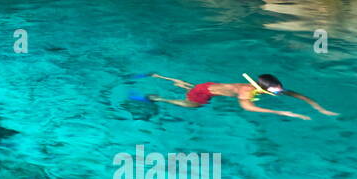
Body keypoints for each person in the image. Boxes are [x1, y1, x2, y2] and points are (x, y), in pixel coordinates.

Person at [142, 72, 337, 120]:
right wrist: (285, 113)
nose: (280, 91)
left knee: (195, 87)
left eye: (279, 88)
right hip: (204, 92)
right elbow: (247, 107)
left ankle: (162, 77)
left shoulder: (264, 87)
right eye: (276, 90)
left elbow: (297, 95)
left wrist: (319, 108)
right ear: (265, 88)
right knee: (193, 104)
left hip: (211, 85)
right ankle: (159, 98)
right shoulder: (247, 91)